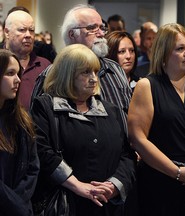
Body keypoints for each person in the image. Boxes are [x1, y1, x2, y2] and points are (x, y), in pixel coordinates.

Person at [31, 44, 136, 216]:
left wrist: (113, 185)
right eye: (85, 72)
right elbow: (42, 152)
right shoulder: (46, 107)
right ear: (67, 74)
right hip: (65, 204)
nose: (94, 78)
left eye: (95, 72)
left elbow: (126, 155)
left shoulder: (110, 110)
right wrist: (78, 186)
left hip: (107, 205)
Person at [128, 23, 185, 216]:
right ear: (164, 53)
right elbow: (138, 138)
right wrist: (176, 172)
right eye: (180, 48)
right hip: (160, 181)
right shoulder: (147, 86)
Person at [31, 4, 131, 135]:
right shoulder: (52, 74)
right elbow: (37, 128)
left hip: (121, 153)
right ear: (72, 34)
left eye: (102, 28)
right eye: (92, 28)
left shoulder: (115, 69)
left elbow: (130, 113)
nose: (101, 33)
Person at [0, 49, 39, 216]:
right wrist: (16, 205)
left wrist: (20, 205)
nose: (17, 80)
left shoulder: (22, 120)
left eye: (18, 73)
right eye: (10, 73)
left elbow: (33, 167)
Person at [3, 10, 51, 110]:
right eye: (22, 30)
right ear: (7, 32)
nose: (28, 35)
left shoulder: (45, 66)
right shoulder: (1, 62)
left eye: (32, 30)